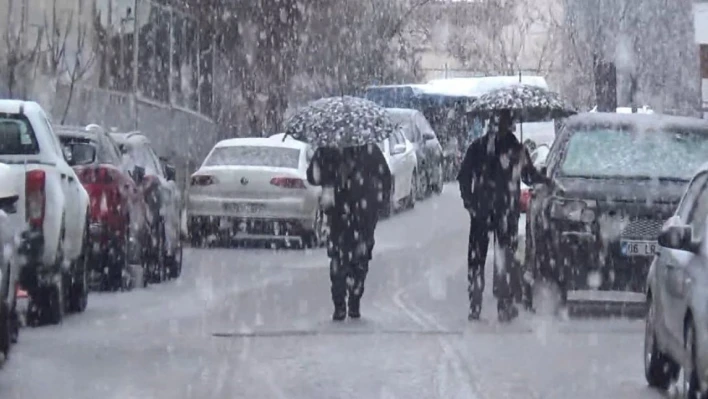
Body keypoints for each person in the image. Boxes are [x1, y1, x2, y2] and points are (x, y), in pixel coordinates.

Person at [457, 109, 554, 322]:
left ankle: (475, 304)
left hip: (482, 211)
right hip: (506, 210)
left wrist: (471, 202)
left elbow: (463, 176)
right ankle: (504, 304)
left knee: (477, 259)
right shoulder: (516, 149)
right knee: (506, 258)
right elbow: (529, 176)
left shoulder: (479, 147)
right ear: (510, 125)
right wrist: (547, 182)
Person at [306, 143, 392, 321]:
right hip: (361, 214)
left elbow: (313, 177)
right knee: (358, 259)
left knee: (340, 259)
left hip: (342, 214)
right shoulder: (369, 151)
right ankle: (353, 300)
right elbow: (385, 178)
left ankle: (342, 304)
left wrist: (326, 176)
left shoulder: (327, 150)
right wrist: (380, 202)